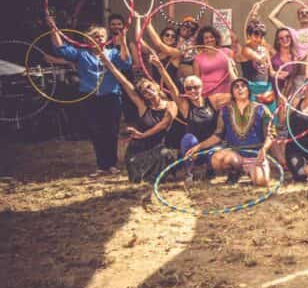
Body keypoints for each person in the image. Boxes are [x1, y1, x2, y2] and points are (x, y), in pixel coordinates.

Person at [50, 24, 133, 175]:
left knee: (111, 131)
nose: (99, 38)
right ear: (88, 40)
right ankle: (102, 166)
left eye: (102, 36)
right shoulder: (82, 54)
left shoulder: (113, 53)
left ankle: (112, 164)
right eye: (95, 36)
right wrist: (53, 29)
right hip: (89, 98)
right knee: (96, 131)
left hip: (111, 97)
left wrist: (123, 43)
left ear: (106, 39)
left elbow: (126, 63)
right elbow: (61, 49)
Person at [97, 48, 178, 183]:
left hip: (158, 148)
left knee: (165, 155)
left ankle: (157, 173)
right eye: (143, 91)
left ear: (157, 87)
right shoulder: (143, 107)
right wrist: (108, 63)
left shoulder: (171, 105)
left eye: (149, 87)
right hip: (138, 149)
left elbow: (164, 124)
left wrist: (160, 67)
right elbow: (124, 82)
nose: (147, 91)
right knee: (137, 176)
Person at [185, 78, 276, 186]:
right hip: (235, 154)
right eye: (236, 87)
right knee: (216, 159)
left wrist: (264, 149)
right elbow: (218, 135)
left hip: (256, 155)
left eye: (243, 86)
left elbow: (271, 134)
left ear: (248, 89)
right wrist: (198, 147)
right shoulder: (225, 111)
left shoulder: (262, 109)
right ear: (232, 92)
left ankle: (250, 172)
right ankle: (236, 172)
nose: (240, 89)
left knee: (262, 182)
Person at [172, 74, 231, 177]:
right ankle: (190, 172)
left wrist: (231, 71)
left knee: (217, 157)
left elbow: (235, 94)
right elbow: (172, 89)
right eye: (188, 88)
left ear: (202, 87)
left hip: (212, 146)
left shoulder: (212, 100)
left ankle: (209, 168)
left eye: (196, 87)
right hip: (193, 150)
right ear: (185, 90)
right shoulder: (185, 106)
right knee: (188, 138)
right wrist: (160, 68)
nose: (192, 91)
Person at [237, 19, 275, 111]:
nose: (258, 39)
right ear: (249, 35)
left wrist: (280, 73)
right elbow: (260, 59)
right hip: (251, 89)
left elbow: (271, 72)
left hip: (266, 89)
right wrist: (267, 50)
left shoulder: (264, 49)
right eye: (256, 35)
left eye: (261, 36)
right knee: (254, 116)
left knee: (271, 116)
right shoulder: (245, 49)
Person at [190, 26, 236, 98]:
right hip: (207, 93)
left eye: (212, 37)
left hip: (226, 91)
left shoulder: (227, 52)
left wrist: (235, 41)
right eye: (206, 38)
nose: (209, 40)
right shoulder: (198, 58)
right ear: (202, 40)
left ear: (216, 38)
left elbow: (234, 70)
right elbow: (197, 79)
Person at [270, 27, 301, 100]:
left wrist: (288, 74)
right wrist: (275, 74)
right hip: (273, 94)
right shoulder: (272, 55)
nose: (285, 39)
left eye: (287, 36)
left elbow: (295, 77)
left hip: (289, 96)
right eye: (281, 38)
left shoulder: (296, 58)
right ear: (278, 41)